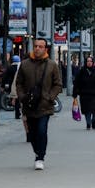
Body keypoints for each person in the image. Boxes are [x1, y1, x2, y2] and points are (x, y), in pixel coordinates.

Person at [15, 37, 63, 170]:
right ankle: (37, 151)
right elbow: (18, 83)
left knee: (42, 131)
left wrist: (50, 97)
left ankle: (40, 157)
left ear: (45, 49)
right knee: (32, 133)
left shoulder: (52, 65)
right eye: (35, 46)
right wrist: (22, 96)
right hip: (29, 105)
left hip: (45, 106)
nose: (37, 49)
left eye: (40, 46)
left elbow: (58, 84)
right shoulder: (25, 64)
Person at [73, 54, 95, 130]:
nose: (89, 62)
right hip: (84, 95)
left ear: (93, 62)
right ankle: (88, 123)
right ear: (86, 62)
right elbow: (77, 83)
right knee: (87, 110)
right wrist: (75, 93)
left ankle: (93, 121)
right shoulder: (81, 72)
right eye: (88, 61)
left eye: (90, 61)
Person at [1, 54, 22, 120]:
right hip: (20, 85)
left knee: (16, 99)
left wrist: (3, 85)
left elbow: (5, 77)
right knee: (19, 99)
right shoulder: (21, 67)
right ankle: (19, 112)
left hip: (12, 85)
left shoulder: (10, 68)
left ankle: (17, 113)